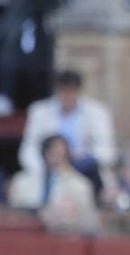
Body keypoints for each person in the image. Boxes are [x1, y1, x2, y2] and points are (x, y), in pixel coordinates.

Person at [18, 68, 117, 200]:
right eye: (63, 91)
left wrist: (79, 159)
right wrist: (47, 167)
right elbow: (28, 149)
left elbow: (107, 151)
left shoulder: (97, 112)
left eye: (71, 91)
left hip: (83, 169)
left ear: (78, 91)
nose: (67, 96)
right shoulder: (39, 112)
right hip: (47, 170)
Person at [10, 133, 101, 235]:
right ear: (45, 153)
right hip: (27, 236)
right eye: (53, 152)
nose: (57, 157)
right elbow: (14, 214)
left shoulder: (80, 185)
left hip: (63, 237)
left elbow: (89, 223)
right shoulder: (22, 182)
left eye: (61, 154)